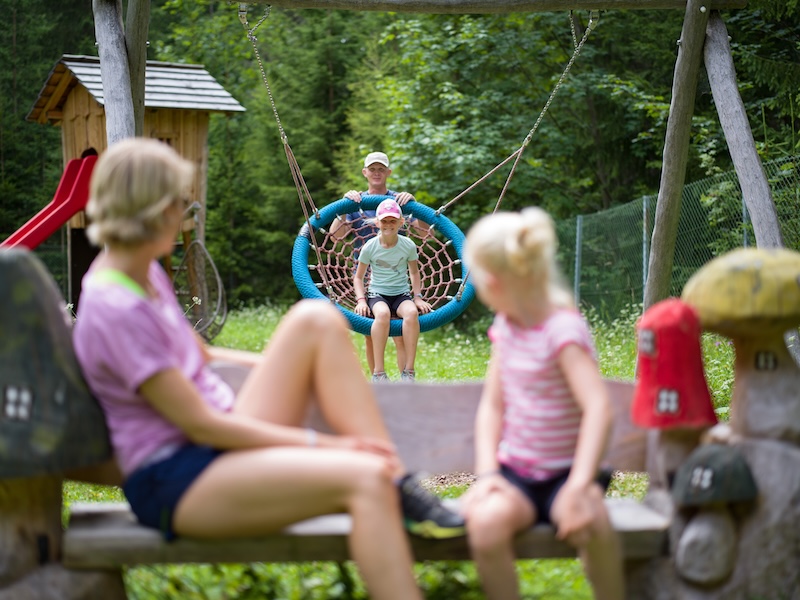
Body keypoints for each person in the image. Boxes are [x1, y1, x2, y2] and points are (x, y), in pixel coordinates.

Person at [71, 138, 466, 600]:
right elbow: (201, 424)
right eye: (180, 203)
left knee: (316, 319)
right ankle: (389, 479)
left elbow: (203, 358)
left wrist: (301, 376)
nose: (185, 214)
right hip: (177, 476)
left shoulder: (142, 272)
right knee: (365, 478)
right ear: (153, 211)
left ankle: (396, 474)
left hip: (214, 442)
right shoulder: (115, 306)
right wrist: (324, 444)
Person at [459, 207, 624, 600]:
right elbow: (493, 407)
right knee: (485, 526)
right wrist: (488, 476)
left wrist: (580, 486)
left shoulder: (561, 329)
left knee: (593, 526)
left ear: (493, 282)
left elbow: (598, 408)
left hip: (571, 473)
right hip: (517, 473)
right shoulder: (506, 327)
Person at [331, 151, 417, 376]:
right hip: (366, 276)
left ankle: (406, 383)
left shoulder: (399, 202)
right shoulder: (355, 202)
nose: (376, 173)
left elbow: (424, 231)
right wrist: (342, 208)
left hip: (395, 276)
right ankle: (378, 380)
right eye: (372, 169)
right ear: (365, 172)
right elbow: (335, 237)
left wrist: (416, 206)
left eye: (381, 169)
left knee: (399, 334)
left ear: (388, 172)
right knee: (371, 332)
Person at [353, 197, 431, 383]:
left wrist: (417, 297)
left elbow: (414, 272)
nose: (389, 224)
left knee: (411, 313)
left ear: (401, 222)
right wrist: (361, 300)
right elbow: (358, 277)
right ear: (378, 222)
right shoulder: (370, 246)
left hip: (401, 294)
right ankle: (379, 373)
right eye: (385, 220)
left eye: (393, 220)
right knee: (382, 315)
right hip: (377, 294)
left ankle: (409, 371)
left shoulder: (408, 245)